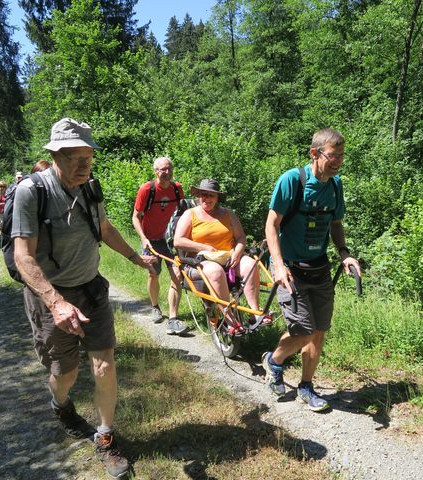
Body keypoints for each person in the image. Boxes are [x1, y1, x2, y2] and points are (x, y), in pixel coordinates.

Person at [12, 117, 156, 478]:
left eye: (88, 158)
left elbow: (104, 227)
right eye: (75, 158)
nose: (83, 166)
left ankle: (105, 436)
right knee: (65, 373)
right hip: (51, 296)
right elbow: (22, 255)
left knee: (104, 364)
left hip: (91, 288)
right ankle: (60, 405)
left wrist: (135, 258)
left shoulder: (91, 187)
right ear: (55, 155)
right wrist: (56, 302)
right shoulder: (33, 191)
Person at [262, 128, 361, 412]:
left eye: (342, 155)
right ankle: (274, 361)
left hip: (319, 268)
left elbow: (335, 223)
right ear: (315, 153)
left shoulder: (335, 185)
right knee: (303, 331)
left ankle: (306, 386)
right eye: (333, 155)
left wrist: (344, 254)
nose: (338, 161)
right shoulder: (292, 180)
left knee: (318, 332)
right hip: (290, 268)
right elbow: (272, 225)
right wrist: (278, 265)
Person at [174, 178, 264, 334]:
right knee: (216, 271)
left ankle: (255, 313)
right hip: (198, 261)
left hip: (228, 258)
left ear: (217, 198)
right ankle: (230, 320)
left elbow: (241, 238)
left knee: (251, 264)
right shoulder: (190, 214)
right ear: (198, 196)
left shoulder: (228, 214)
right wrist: (204, 247)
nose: (206, 199)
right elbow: (178, 240)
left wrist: (237, 252)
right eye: (203, 194)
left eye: (211, 195)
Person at [132, 157, 187, 335]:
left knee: (177, 275)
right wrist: (143, 238)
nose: (167, 172)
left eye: (169, 168)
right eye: (163, 169)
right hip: (151, 240)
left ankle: (173, 318)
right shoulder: (147, 189)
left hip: (171, 240)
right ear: (156, 171)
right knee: (154, 273)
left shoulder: (177, 189)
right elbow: (136, 216)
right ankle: (155, 306)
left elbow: (184, 214)